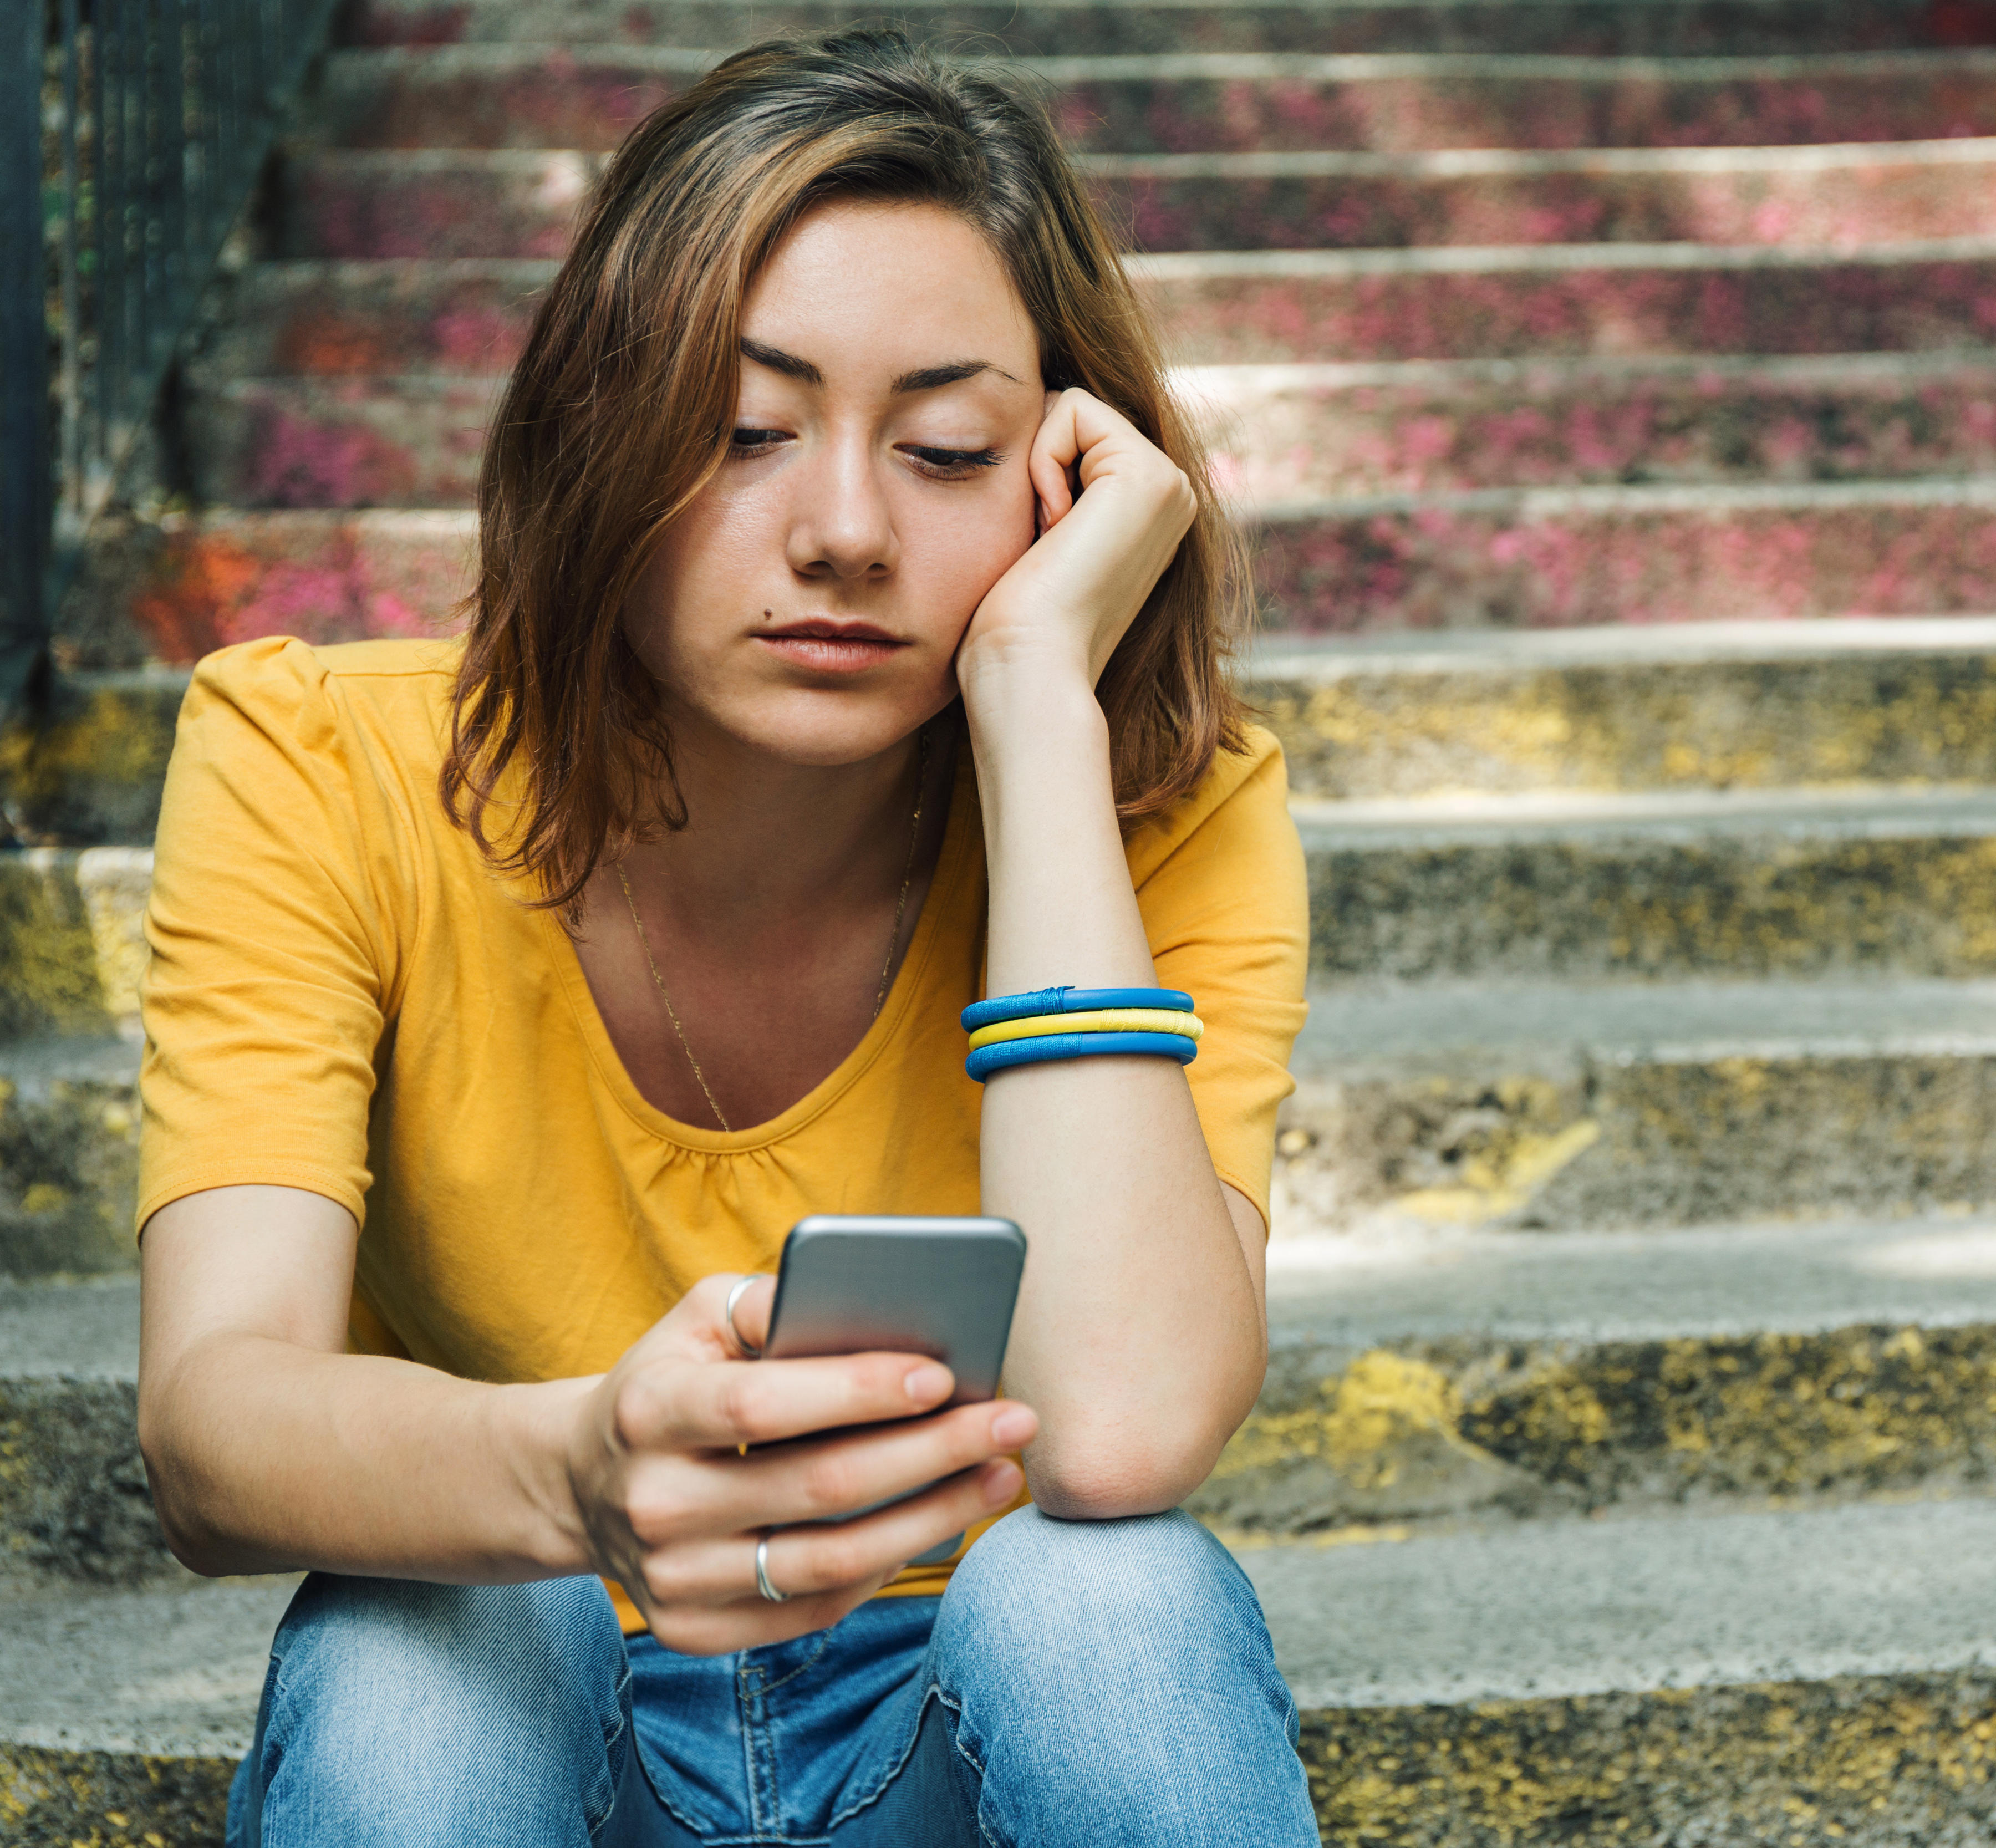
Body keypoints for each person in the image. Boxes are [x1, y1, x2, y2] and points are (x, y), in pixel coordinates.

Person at [130, 28, 1317, 1845]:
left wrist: (1035, 704)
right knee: (427, 1644)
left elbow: (1123, 1433)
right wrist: (576, 1473)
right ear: (603, 430)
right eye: (746, 431)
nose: (842, 531)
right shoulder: (316, 763)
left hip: (954, 1721)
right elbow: (215, 1424)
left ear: (1067, 479)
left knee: (1112, 1603)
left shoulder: (1158, 811)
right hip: (537, 1689)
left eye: (943, 449)